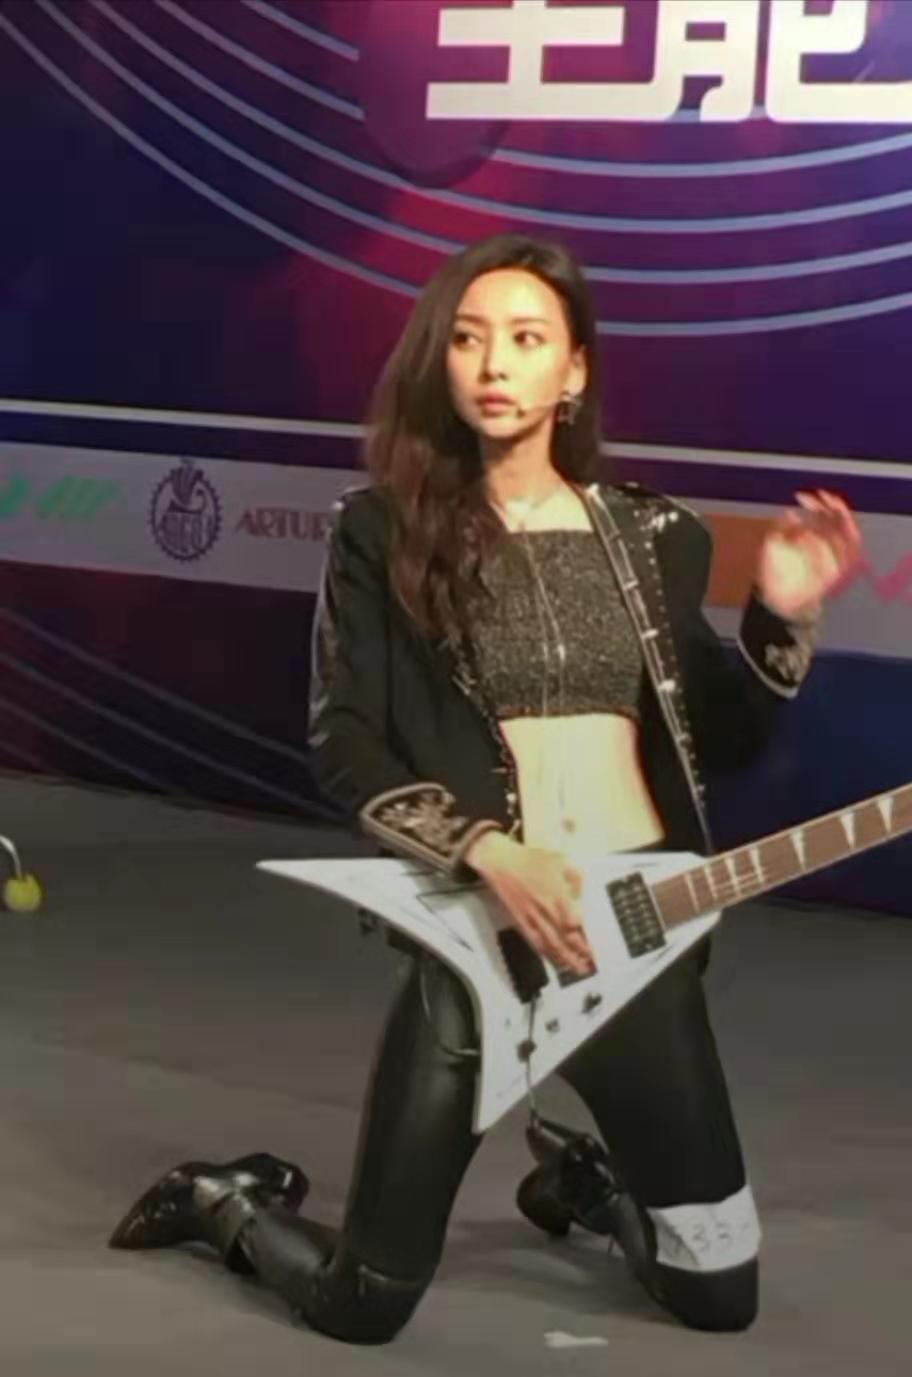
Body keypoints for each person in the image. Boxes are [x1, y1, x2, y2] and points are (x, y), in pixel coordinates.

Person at [109, 234, 861, 1344]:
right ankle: (225, 1203)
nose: (494, 363)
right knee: (365, 1303)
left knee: (718, 1297)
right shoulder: (381, 532)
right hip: (483, 947)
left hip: (638, 939)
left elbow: (726, 738)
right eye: (468, 339)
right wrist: (488, 850)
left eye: (525, 338)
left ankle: (588, 1188)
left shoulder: (652, 537)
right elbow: (345, 742)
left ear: (575, 370)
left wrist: (782, 616)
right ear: (442, 361)